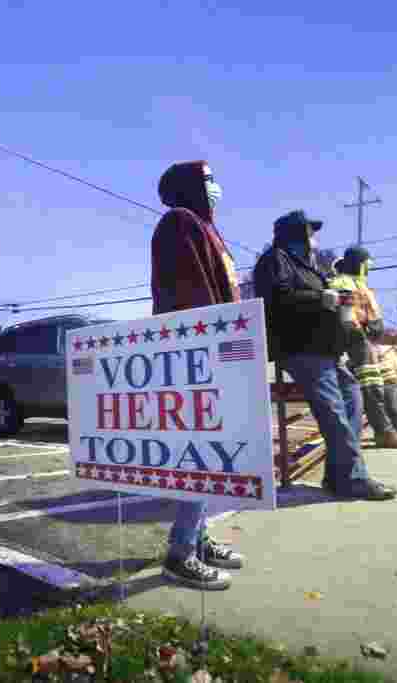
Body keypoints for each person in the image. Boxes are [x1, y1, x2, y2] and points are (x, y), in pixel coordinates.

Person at [253, 211, 397, 501]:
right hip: (299, 348)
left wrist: (333, 299)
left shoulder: (308, 266)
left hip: (326, 349)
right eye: (310, 232)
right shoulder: (275, 259)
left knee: (352, 399)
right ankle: (354, 479)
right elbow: (277, 297)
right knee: (334, 414)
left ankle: (338, 475)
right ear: (295, 234)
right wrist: (320, 298)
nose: (314, 238)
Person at [150, 160, 246, 591]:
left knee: (208, 452)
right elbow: (192, 294)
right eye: (208, 181)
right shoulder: (179, 222)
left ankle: (198, 538)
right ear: (189, 186)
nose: (215, 188)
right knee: (200, 453)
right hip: (198, 354)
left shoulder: (206, 229)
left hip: (213, 351)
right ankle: (180, 553)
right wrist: (215, 350)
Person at [330, 247, 397, 449]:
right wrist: (360, 336)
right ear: (359, 263)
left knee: (389, 378)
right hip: (358, 342)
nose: (369, 267)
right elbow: (346, 317)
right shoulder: (342, 283)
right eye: (367, 263)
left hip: (371, 341)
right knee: (371, 385)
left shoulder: (359, 283)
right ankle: (383, 432)